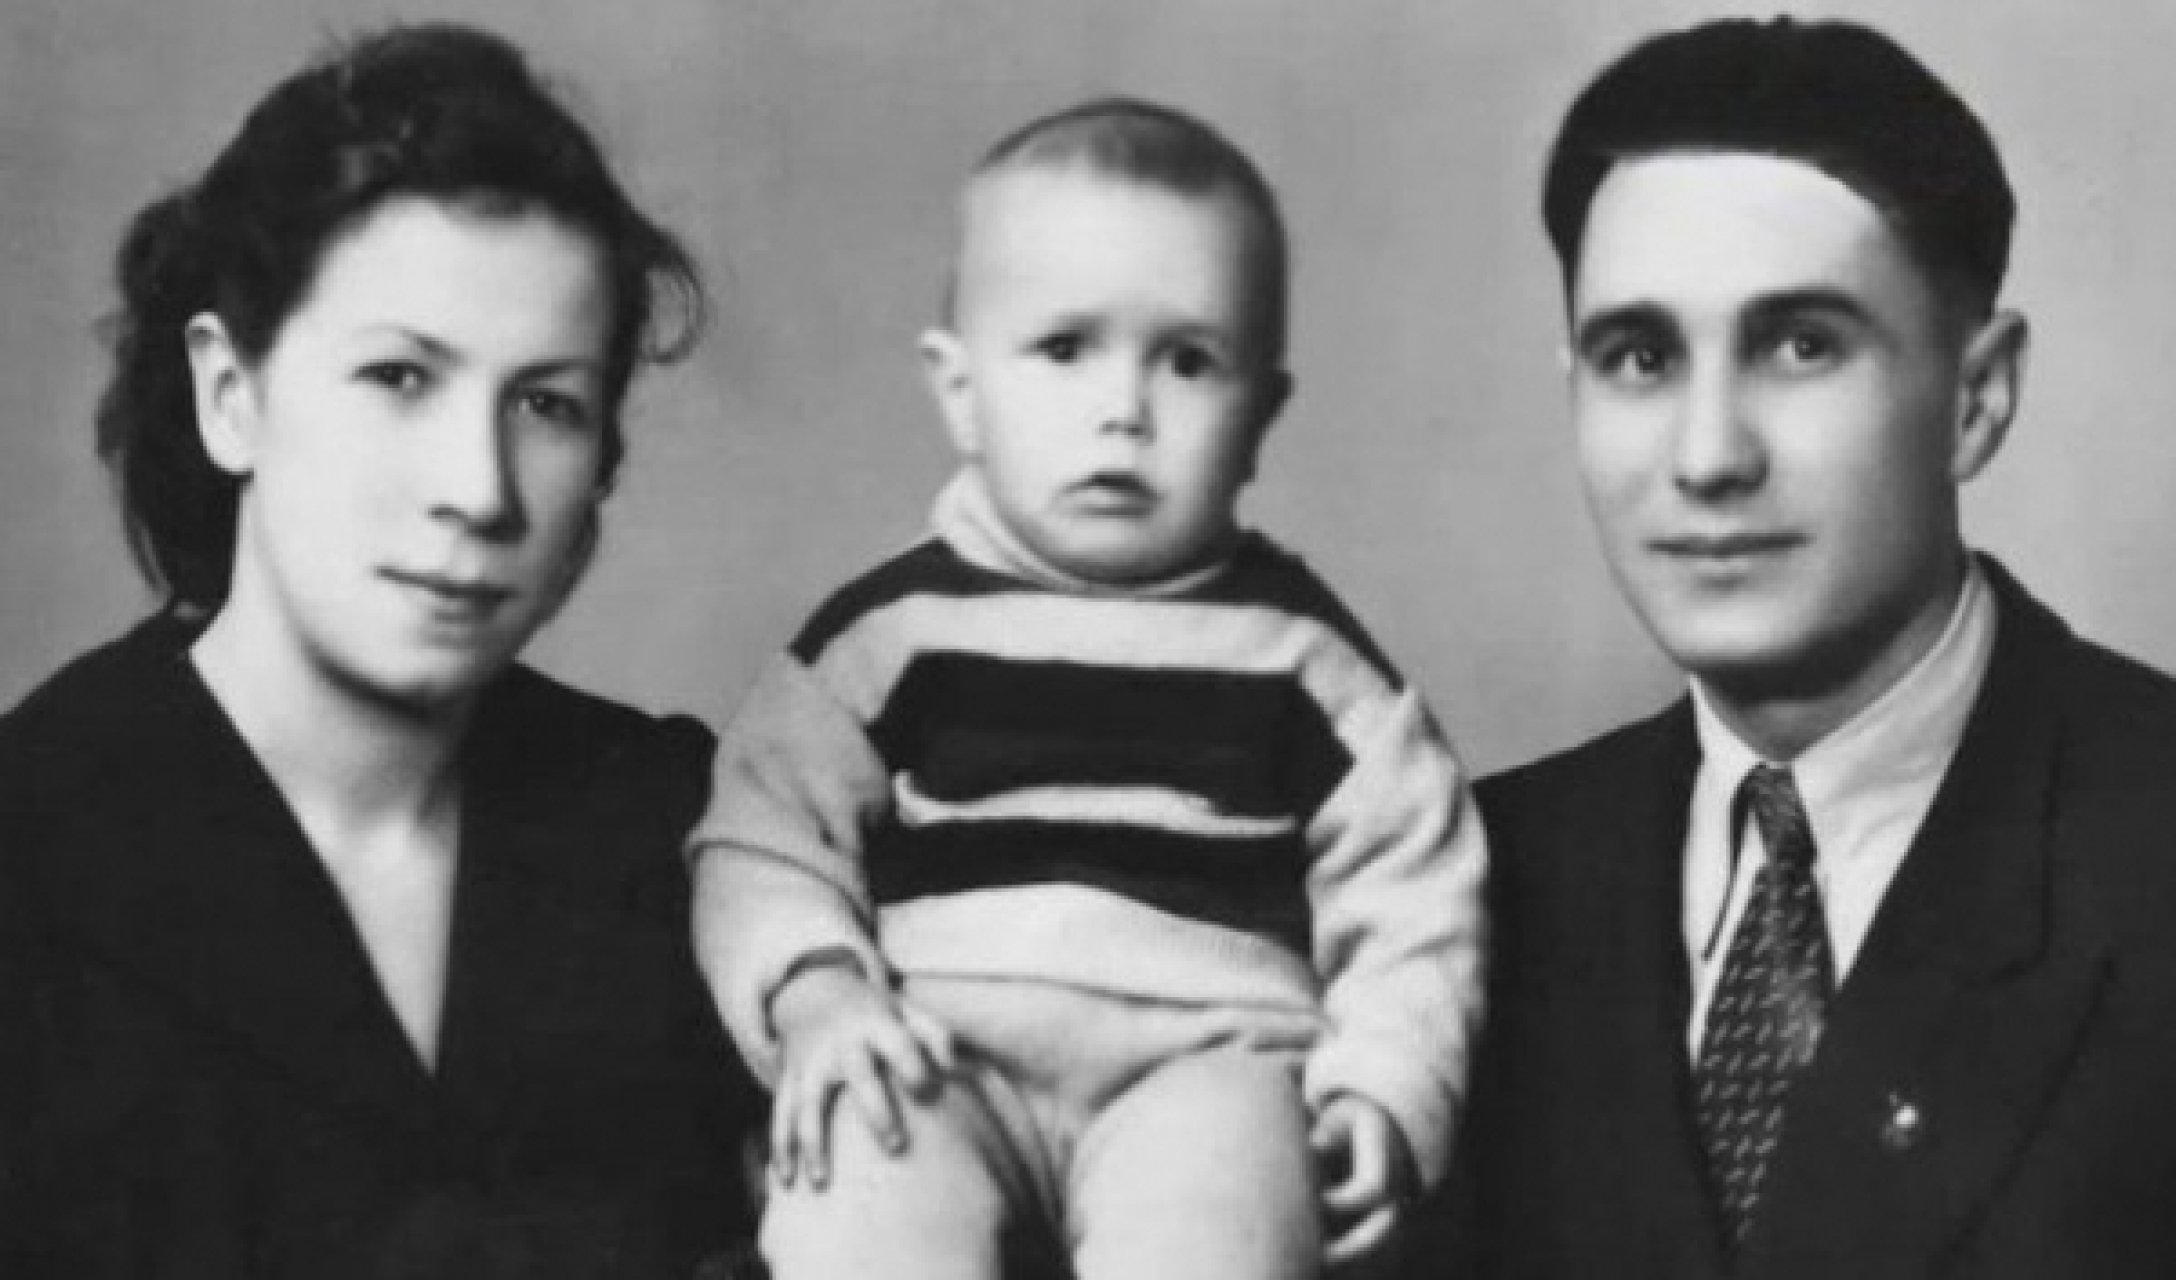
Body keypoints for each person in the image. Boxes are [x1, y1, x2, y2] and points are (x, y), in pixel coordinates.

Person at [0, 24, 758, 1279]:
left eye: (547, 403)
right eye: (400, 375)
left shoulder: (688, 833)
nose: (479, 486)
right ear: (230, 394)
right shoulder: (28, 848)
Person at [1430, 16, 2176, 1279]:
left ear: (1976, 395)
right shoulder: (1452, 891)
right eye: (1639, 357)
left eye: (1801, 345)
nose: (1708, 454)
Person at [689, 99, 1487, 1279]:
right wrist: (818, 996)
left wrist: (1383, 1084)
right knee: (853, 1176)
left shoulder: (1303, 656)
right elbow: (762, 838)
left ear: (1260, 415)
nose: (1123, 409)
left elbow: (1415, 883)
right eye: (1065, 348)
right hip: (933, 1044)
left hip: (1207, 1058)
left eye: (1188, 360)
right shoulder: (886, 636)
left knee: (1223, 1213)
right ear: (960, 390)